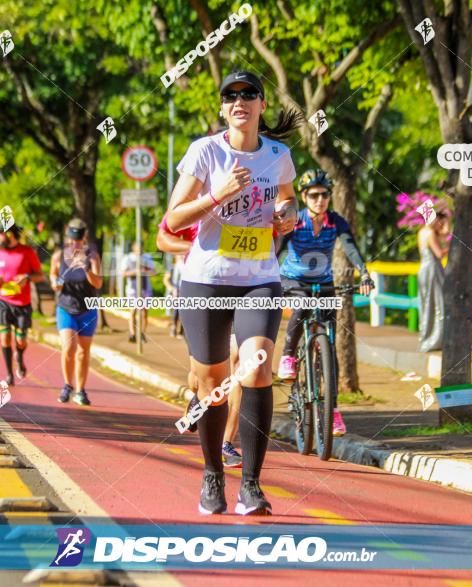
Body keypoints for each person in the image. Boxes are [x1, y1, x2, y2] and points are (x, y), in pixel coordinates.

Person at [166, 70, 301, 515]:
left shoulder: (279, 155)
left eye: (248, 94)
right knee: (211, 385)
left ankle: (251, 485)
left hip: (260, 277)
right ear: (223, 108)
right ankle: (211, 476)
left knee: (258, 370)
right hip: (206, 279)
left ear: (262, 105)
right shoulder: (205, 152)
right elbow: (174, 220)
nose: (239, 101)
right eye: (231, 95)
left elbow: (287, 199)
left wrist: (286, 215)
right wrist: (216, 196)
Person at [275, 169, 374, 437]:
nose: (320, 200)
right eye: (314, 195)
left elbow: (350, 247)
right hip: (293, 280)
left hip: (325, 281)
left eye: (325, 195)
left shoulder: (336, 221)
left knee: (329, 343)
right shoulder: (297, 221)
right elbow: (279, 248)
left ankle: (332, 411)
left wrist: (363, 273)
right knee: (304, 301)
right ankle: (287, 357)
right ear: (304, 196)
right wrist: (267, 270)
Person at [157, 213, 243, 468]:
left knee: (239, 363)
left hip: (244, 290)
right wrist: (194, 248)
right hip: (201, 292)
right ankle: (198, 398)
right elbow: (163, 239)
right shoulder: (196, 198)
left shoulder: (252, 195)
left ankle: (226, 442)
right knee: (200, 375)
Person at [0, 223, 44, 386]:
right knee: (5, 335)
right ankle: (9, 374)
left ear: (9, 235)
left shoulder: (27, 252)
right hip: (2, 300)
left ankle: (20, 356)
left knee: (21, 340)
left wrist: (27, 278)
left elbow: (40, 276)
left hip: (23, 303)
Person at [51, 219, 102, 406]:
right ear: (67, 235)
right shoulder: (58, 256)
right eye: (72, 240)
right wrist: (58, 282)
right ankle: (67, 385)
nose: (75, 244)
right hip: (66, 308)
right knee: (68, 347)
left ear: (84, 237)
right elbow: (53, 281)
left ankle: (80, 390)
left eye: (78, 240)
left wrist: (86, 268)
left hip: (87, 309)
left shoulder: (92, 256)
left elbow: (98, 283)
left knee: (83, 352)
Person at [417, 211, 449, 352]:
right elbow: (439, 254)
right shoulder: (430, 233)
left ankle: (426, 336)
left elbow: (444, 233)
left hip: (424, 268)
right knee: (438, 302)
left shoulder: (422, 232)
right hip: (432, 269)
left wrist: (447, 226)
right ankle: (435, 339)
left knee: (426, 303)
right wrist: (452, 248)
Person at [121, 241, 155, 343]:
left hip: (145, 288)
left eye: (141, 247)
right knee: (133, 311)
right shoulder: (128, 258)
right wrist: (135, 272)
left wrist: (144, 271)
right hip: (133, 289)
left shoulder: (147, 258)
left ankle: (143, 333)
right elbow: (123, 273)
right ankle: (132, 334)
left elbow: (153, 271)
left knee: (144, 312)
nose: (139, 249)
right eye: (137, 247)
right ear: (133, 248)